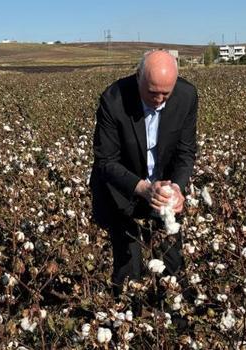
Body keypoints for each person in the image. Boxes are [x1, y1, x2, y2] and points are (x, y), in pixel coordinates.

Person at [90, 50, 198, 303]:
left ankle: (172, 320)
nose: (159, 100)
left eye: (165, 93)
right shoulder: (113, 99)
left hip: (163, 189)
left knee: (172, 260)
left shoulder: (186, 96)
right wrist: (143, 188)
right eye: (152, 92)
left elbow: (185, 151)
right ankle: (130, 322)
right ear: (138, 77)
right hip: (122, 189)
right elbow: (106, 161)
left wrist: (177, 189)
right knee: (129, 266)